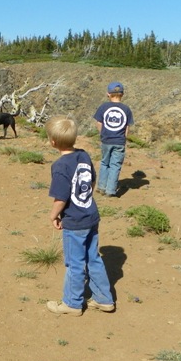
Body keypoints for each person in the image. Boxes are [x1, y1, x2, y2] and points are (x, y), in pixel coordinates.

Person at [44, 116, 114, 316]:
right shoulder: (83, 155)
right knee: (93, 258)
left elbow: (61, 198)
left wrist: (53, 215)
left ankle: (72, 303)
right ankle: (104, 299)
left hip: (74, 222)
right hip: (91, 215)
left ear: (53, 142)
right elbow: (91, 181)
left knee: (74, 263)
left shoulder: (60, 166)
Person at [92, 81, 134, 197]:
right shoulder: (126, 109)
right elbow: (127, 127)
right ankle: (111, 191)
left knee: (105, 162)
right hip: (119, 141)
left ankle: (101, 187)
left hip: (106, 140)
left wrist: (103, 134)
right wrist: (124, 139)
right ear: (122, 94)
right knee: (115, 165)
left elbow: (99, 123)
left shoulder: (103, 107)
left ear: (108, 94)